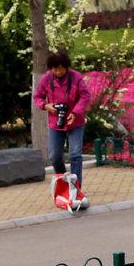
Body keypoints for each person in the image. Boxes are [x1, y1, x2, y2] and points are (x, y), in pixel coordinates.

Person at [33, 50, 91, 193]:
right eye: (54, 69)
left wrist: (75, 112)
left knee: (75, 155)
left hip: (75, 122)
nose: (57, 72)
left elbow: (85, 96)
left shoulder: (76, 77)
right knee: (54, 156)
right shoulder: (46, 79)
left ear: (66, 67)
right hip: (56, 123)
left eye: (60, 69)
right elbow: (37, 97)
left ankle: (76, 188)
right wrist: (46, 106)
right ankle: (64, 181)